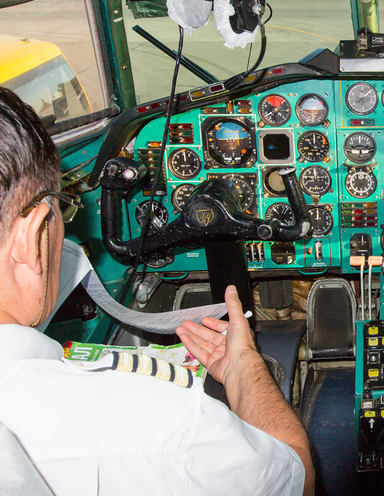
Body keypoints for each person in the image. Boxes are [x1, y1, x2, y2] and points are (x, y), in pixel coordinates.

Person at [0, 86, 314, 495]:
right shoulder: (171, 430)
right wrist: (243, 366)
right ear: (30, 237)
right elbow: (297, 476)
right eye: (64, 208)